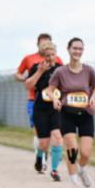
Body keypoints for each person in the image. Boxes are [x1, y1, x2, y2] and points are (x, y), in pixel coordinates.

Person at [50, 37, 95, 188]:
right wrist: (55, 99)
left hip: (85, 114)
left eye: (80, 49)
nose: (77, 51)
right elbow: (50, 90)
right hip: (67, 113)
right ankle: (74, 184)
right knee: (72, 148)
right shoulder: (60, 72)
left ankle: (82, 170)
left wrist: (92, 98)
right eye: (74, 48)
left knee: (85, 153)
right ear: (68, 49)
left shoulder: (89, 70)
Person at [17, 33, 64, 173]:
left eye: (53, 54)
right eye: (47, 55)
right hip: (40, 108)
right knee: (43, 143)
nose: (50, 57)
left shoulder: (61, 69)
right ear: (43, 56)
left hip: (55, 107)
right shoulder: (37, 67)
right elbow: (28, 85)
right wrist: (39, 72)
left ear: (56, 54)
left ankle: (54, 170)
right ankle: (39, 156)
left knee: (57, 137)